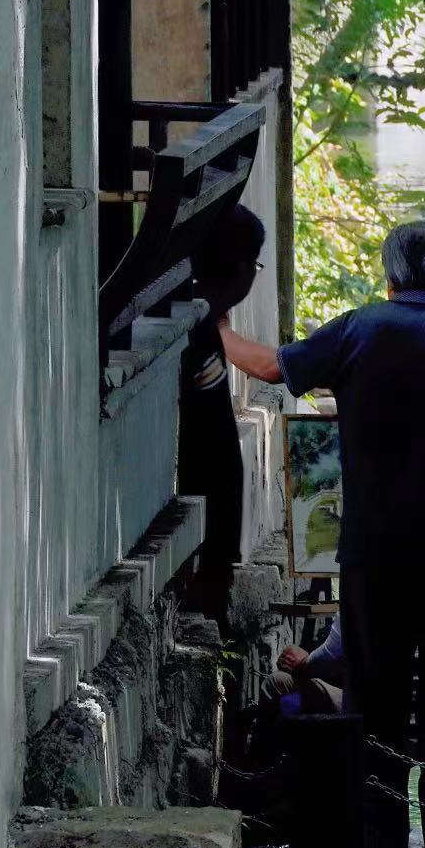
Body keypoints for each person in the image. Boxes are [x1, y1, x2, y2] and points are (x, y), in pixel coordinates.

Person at [218, 221, 425, 848]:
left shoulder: (357, 331)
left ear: (389, 277)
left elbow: (272, 366)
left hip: (370, 562)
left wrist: (215, 328)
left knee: (374, 706)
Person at [177, 204, 267, 628]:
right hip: (200, 546)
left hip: (200, 540)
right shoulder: (198, 330)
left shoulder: (195, 320)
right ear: (242, 269)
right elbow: (212, 446)